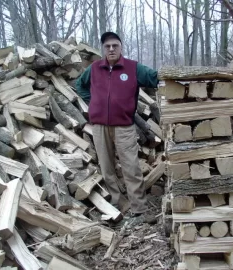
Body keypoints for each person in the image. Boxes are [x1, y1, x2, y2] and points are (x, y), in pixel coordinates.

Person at [75, 32, 158, 224]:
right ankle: (119, 204)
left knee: (131, 166)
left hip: (124, 126)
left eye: (115, 45)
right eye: (107, 46)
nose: (111, 49)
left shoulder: (133, 68)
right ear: (103, 49)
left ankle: (139, 209)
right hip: (99, 126)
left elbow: (154, 78)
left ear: (121, 47)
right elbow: (80, 86)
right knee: (107, 167)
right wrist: (93, 102)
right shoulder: (94, 68)